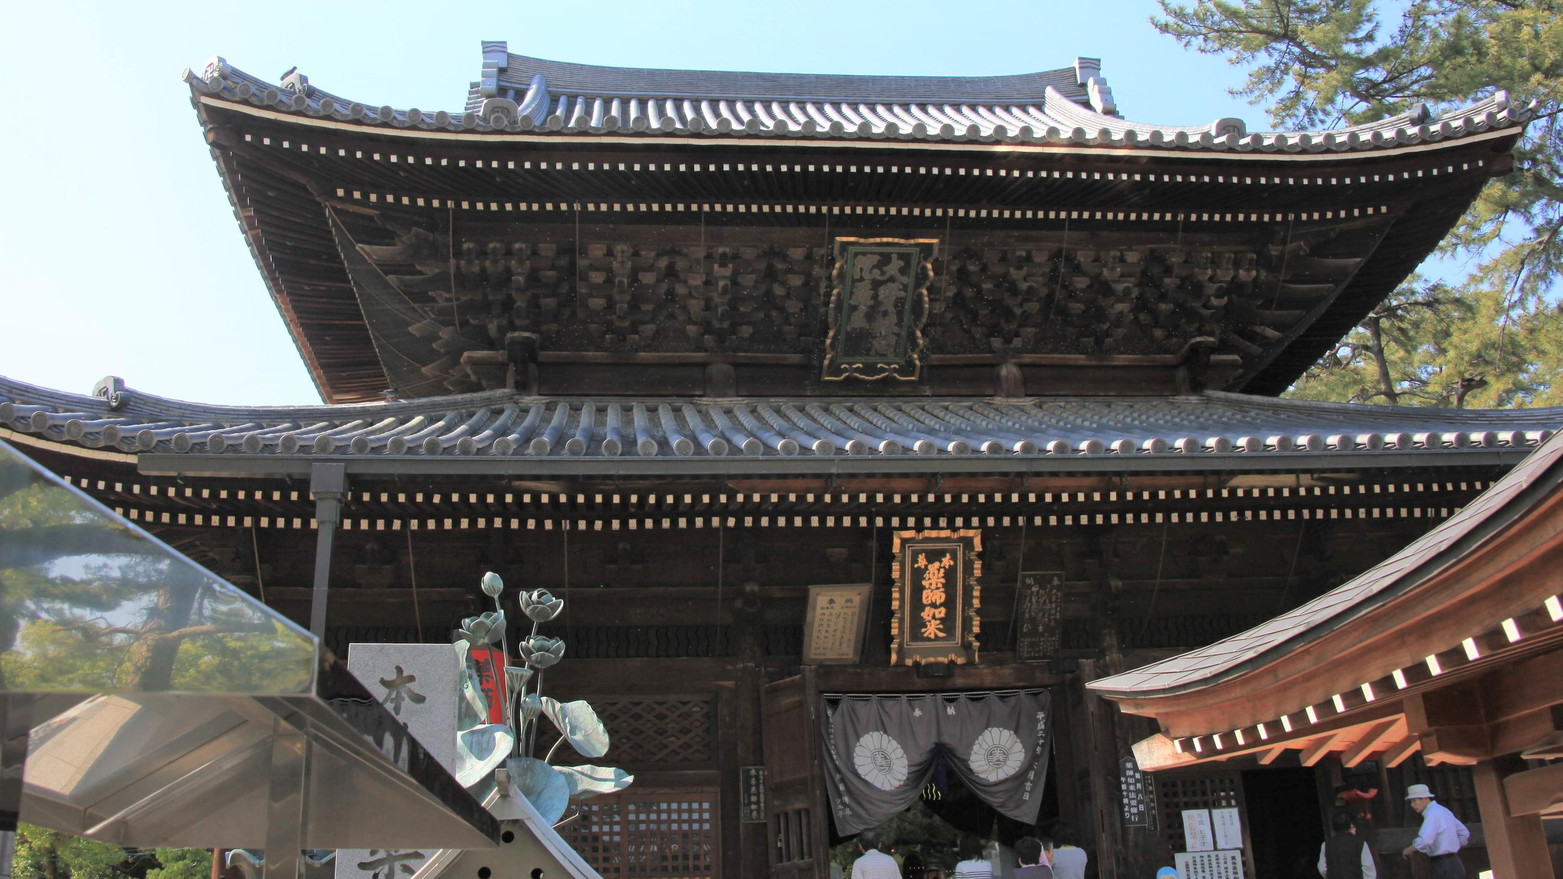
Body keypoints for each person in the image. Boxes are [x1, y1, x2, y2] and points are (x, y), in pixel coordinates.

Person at [1400, 783, 1469, 879]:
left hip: (1443, 865)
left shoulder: (1432, 813)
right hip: (1454, 861)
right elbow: (1464, 833)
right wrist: (1452, 845)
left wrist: (1409, 849)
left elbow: (1425, 839)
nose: (1412, 805)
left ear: (1424, 799)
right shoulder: (1443, 811)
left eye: (1414, 801)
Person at [1318, 809, 1376, 878]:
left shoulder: (1326, 845)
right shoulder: (1360, 843)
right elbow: (1368, 869)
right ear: (1351, 825)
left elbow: (1322, 869)